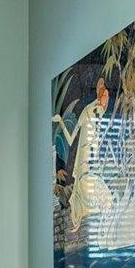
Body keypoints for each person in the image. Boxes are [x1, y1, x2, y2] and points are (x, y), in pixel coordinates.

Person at [53, 77, 115, 233]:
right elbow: (70, 139)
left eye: (106, 94)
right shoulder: (88, 111)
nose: (105, 97)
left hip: (90, 162)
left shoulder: (99, 114)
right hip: (84, 161)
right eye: (103, 93)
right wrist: (61, 122)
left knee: (94, 190)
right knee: (86, 188)